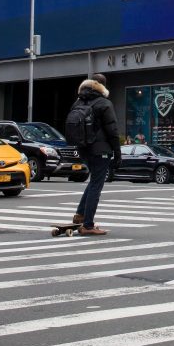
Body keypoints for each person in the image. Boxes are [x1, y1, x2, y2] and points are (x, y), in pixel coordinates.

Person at [67, 75, 120, 235]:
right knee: (96, 185)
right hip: (100, 150)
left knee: (93, 182)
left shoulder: (78, 102)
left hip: (84, 148)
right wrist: (117, 152)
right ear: (103, 86)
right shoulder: (104, 103)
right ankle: (88, 225)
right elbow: (112, 130)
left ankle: (80, 215)